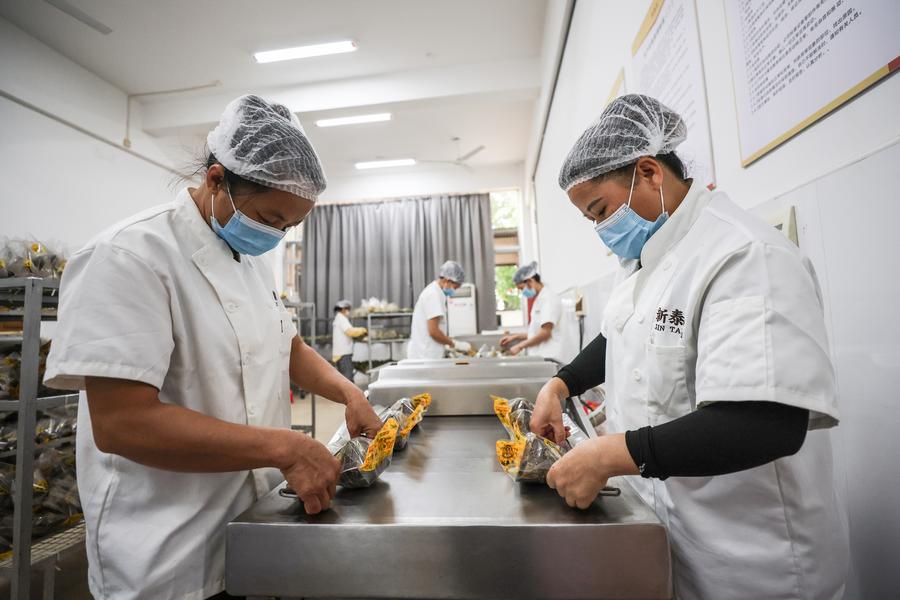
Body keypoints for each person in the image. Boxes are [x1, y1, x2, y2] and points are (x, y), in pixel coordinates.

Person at [43, 95, 383, 600]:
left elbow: (286, 345)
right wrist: (284, 447)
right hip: (166, 551)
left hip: (252, 525)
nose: (275, 235)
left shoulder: (251, 262)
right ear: (217, 179)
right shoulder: (128, 256)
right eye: (269, 217)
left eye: (288, 227)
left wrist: (348, 393)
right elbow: (122, 423)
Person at [530, 94, 848, 599]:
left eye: (601, 211)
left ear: (649, 172)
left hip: (754, 563)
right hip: (677, 542)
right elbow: (621, 335)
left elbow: (766, 423)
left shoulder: (745, 255)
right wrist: (560, 383)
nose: (602, 231)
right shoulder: (649, 258)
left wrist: (610, 454)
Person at [499, 262, 567, 362]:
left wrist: (520, 346)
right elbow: (536, 332)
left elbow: (545, 333)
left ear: (530, 281)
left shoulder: (548, 299)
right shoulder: (539, 299)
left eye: (522, 288)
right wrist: (515, 337)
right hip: (543, 356)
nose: (523, 292)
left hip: (551, 357)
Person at [406, 260, 472, 359]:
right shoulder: (433, 294)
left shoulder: (437, 292)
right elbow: (433, 331)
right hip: (425, 355)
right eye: (455, 287)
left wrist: (446, 343)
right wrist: (454, 344)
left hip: (427, 353)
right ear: (448, 281)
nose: (454, 291)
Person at [332, 299, 366, 381]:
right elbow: (350, 332)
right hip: (343, 354)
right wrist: (363, 330)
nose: (348, 311)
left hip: (341, 354)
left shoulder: (339, 318)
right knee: (347, 379)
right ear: (343, 309)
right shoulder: (341, 319)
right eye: (348, 309)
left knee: (344, 378)